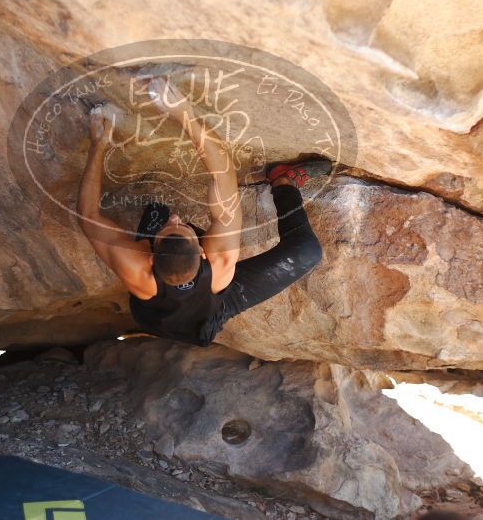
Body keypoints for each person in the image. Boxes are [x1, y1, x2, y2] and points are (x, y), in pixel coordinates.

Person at [77, 78, 327, 347]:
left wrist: (98, 145)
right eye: (179, 226)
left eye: (172, 228)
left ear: (150, 258)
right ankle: (283, 182)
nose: (176, 218)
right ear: (202, 251)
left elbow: (88, 215)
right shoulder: (219, 262)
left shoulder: (136, 268)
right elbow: (223, 173)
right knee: (308, 252)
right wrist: (185, 114)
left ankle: (156, 225)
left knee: (156, 211)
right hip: (213, 310)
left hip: (152, 315)